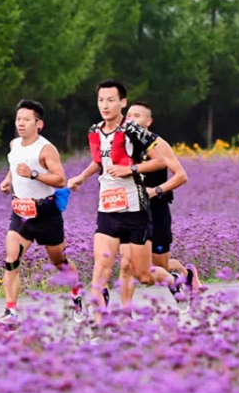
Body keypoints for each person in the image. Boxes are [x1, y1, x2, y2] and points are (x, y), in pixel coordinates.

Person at [66, 80, 185, 326]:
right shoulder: (94, 130)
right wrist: (80, 177)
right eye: (101, 100)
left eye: (111, 100)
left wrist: (129, 169)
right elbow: (98, 161)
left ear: (122, 102)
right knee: (101, 268)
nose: (105, 105)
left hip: (135, 211)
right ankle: (98, 327)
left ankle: (175, 282)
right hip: (107, 209)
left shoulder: (133, 130)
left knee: (142, 273)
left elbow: (160, 162)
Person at [0, 100, 83, 326]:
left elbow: (60, 178)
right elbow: (14, 167)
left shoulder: (46, 149)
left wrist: (33, 174)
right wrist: (7, 181)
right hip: (21, 211)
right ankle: (11, 312)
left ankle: (77, 293)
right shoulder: (14, 145)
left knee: (58, 261)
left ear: (39, 124)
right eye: (18, 119)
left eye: (26, 120)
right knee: (11, 260)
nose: (20, 124)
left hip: (46, 212)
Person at [121, 101, 200, 295]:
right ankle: (124, 315)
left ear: (148, 121)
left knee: (160, 263)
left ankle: (186, 273)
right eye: (128, 115)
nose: (130, 119)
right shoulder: (120, 143)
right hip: (131, 209)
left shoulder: (158, 144)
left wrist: (154, 191)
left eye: (137, 116)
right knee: (128, 263)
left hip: (156, 207)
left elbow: (181, 176)